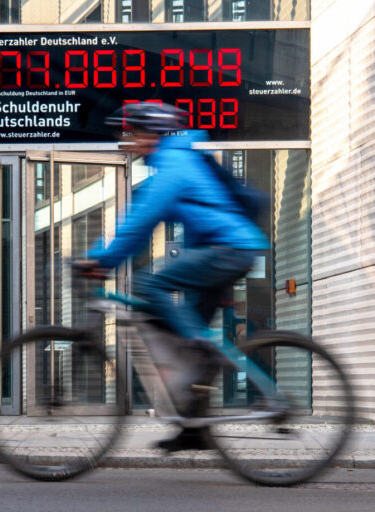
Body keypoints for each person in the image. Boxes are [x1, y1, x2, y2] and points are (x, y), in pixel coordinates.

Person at [75, 102, 268, 451]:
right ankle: (194, 429)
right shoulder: (170, 165)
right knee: (191, 349)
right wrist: (103, 253)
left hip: (229, 250)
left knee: (151, 283)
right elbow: (132, 221)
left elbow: (139, 225)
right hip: (223, 251)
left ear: (150, 133)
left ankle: (203, 348)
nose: (127, 140)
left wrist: (102, 260)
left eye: (131, 132)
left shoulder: (172, 166)